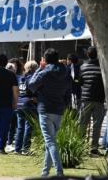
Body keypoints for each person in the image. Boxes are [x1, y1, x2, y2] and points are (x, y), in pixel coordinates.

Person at [28, 48, 71, 177]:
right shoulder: (66, 71)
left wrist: (39, 69)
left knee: (50, 142)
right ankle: (45, 172)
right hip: (59, 110)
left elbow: (31, 85)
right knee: (50, 142)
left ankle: (59, 172)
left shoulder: (44, 72)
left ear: (45, 60)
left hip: (45, 109)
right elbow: (69, 90)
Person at [78, 46, 106, 156]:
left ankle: (80, 146)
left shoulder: (83, 67)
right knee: (97, 125)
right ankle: (94, 148)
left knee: (83, 124)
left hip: (85, 99)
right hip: (99, 99)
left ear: (88, 55)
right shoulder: (102, 67)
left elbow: (80, 82)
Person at [14, 60, 39, 154]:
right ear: (34, 68)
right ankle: (25, 148)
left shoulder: (21, 78)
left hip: (19, 103)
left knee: (20, 127)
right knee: (28, 127)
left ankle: (17, 148)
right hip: (29, 104)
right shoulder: (33, 78)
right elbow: (34, 92)